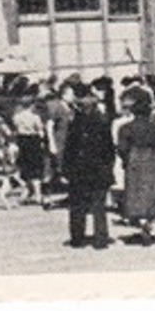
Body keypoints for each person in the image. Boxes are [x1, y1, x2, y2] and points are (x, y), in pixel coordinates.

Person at [62, 86, 116, 250]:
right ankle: (101, 238)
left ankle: (77, 238)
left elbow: (69, 149)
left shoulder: (75, 125)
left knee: (77, 205)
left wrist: (66, 170)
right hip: (99, 169)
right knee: (99, 205)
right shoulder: (102, 123)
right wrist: (108, 166)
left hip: (79, 170)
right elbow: (109, 149)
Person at [116, 89, 155, 244]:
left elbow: (122, 148)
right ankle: (149, 221)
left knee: (135, 192)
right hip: (151, 159)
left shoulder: (125, 128)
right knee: (150, 190)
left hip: (134, 159)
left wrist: (126, 160)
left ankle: (142, 221)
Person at [11, 96, 47, 207]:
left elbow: (15, 129)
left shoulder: (16, 117)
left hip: (22, 141)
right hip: (33, 142)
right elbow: (40, 131)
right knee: (36, 169)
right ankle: (37, 194)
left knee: (25, 168)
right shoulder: (35, 117)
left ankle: (26, 192)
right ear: (32, 105)